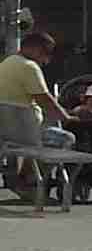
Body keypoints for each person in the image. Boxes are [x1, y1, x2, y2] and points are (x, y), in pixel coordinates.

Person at [2, 28, 59, 209]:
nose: (47, 59)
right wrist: (67, 117)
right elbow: (44, 99)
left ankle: (24, 179)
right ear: (34, 48)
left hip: (10, 130)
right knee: (64, 139)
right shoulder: (29, 67)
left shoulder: (8, 62)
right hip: (25, 132)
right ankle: (30, 183)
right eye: (46, 52)